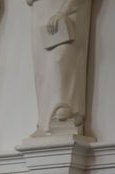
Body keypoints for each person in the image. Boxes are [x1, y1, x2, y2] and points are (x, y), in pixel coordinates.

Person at [26, 0, 92, 138]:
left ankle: (66, 111)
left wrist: (64, 10)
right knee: (43, 70)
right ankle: (45, 123)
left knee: (62, 57)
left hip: (66, 10)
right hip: (40, 11)